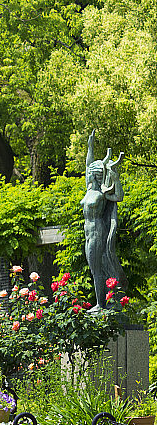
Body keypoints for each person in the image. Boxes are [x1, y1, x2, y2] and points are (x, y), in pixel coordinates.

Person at [81, 129, 124, 310]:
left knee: (97, 269)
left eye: (92, 172)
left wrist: (115, 177)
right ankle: (103, 302)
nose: (89, 173)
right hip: (87, 232)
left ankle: (101, 304)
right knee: (94, 269)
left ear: (97, 175)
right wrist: (90, 146)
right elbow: (87, 163)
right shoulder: (89, 189)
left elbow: (119, 197)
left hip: (98, 231)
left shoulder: (102, 193)